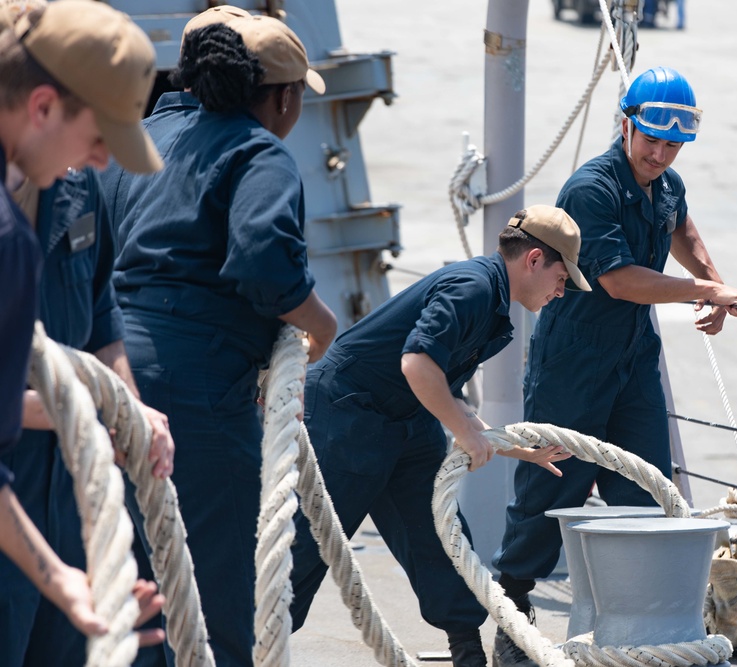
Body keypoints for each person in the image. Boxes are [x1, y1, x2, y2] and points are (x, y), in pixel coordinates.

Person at [489, 67, 737, 667]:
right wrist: (704, 294)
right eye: (650, 139)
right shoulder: (592, 189)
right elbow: (618, 280)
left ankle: (640, 634)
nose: (659, 154)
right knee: (548, 490)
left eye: (672, 143)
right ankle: (512, 617)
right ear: (627, 125)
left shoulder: (667, 182)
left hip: (633, 363)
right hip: (573, 362)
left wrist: (711, 280)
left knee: (648, 493)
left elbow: (679, 225)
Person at [101, 16, 338, 666]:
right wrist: (322, 327)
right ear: (284, 97)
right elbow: (264, 259)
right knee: (216, 599)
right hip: (198, 392)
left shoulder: (142, 136)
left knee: (138, 586)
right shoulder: (257, 151)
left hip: (110, 373)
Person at [288, 205, 586, 667]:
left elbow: (442, 389)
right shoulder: (472, 288)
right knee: (309, 544)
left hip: (407, 417)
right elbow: (417, 364)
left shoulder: (493, 300)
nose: (561, 291)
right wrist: (465, 431)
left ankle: (468, 654)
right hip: (347, 413)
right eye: (562, 278)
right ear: (533, 260)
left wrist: (516, 449)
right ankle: (241, 644)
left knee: (443, 538)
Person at [0, 0, 168, 663]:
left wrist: (128, 405)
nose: (101, 161)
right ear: (43, 107)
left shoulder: (68, 184)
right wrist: (58, 577)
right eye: (99, 138)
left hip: (65, 497)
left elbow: (101, 312)